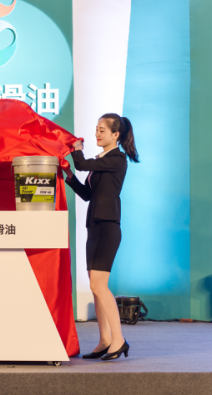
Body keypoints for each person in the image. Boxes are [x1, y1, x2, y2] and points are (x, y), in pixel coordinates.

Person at [62, 113, 139, 361]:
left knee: (98, 285)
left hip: (107, 227)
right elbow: (88, 194)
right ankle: (105, 340)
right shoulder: (101, 160)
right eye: (96, 129)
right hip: (94, 226)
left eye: (102, 130)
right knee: (95, 287)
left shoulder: (117, 158)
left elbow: (82, 164)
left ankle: (119, 340)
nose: (97, 134)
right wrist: (69, 176)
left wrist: (76, 150)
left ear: (116, 135)